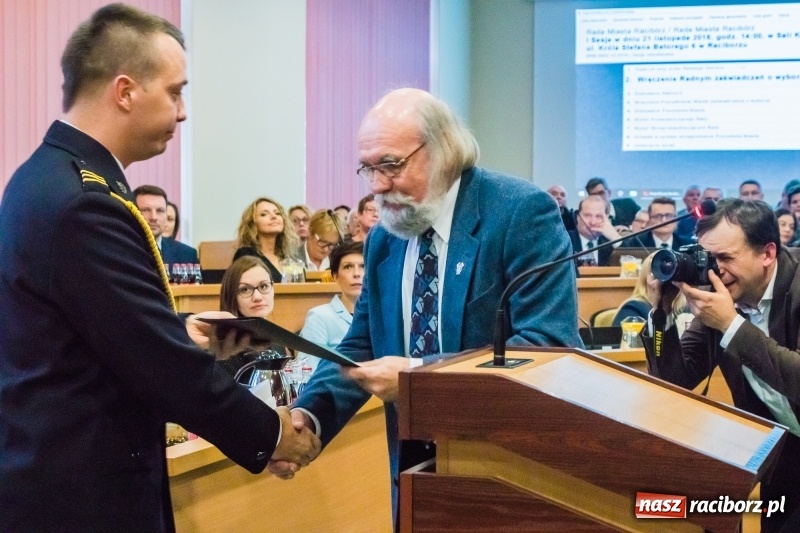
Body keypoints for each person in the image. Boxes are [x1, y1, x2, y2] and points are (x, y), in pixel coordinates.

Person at [0, 5, 319, 531]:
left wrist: (176, 329)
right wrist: (272, 433)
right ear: (125, 92)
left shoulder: (51, 176)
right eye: (175, 92)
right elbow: (160, 365)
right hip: (82, 495)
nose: (183, 112)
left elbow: (97, 329)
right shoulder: (84, 201)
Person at [271, 88, 582, 516]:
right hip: (414, 477)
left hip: (507, 473)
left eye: (391, 165)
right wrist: (309, 416)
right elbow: (362, 345)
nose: (378, 185)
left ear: (444, 150)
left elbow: (549, 347)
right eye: (368, 169)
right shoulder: (384, 239)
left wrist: (420, 378)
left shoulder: (519, 212)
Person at [642, 199, 800, 532]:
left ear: (767, 253)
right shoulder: (724, 298)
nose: (716, 270)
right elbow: (675, 382)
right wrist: (661, 315)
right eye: (708, 259)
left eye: (726, 258)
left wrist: (731, 325)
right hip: (785, 457)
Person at [216, 255, 290, 380]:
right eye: (245, 289)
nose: (257, 297)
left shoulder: (279, 342)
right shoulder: (224, 351)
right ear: (231, 296)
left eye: (264, 286)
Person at [298, 240, 365, 373]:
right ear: (335, 276)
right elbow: (308, 370)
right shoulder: (319, 317)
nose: (357, 273)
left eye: (363, 266)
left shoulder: (381, 316)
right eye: (348, 267)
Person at [233, 197, 300, 283]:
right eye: (264, 214)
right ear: (252, 223)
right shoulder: (246, 254)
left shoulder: (288, 257)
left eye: (277, 213)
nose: (274, 216)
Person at [134, 184, 198, 265]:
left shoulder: (187, 254)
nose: (154, 217)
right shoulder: (121, 250)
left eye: (160, 211)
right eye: (146, 210)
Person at [568, 195, 622, 266]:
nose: (593, 222)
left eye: (598, 216)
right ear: (577, 217)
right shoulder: (566, 241)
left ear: (607, 219)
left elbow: (630, 262)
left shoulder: (609, 243)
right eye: (587, 215)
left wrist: (615, 237)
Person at [623, 197, 692, 251]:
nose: (664, 220)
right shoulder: (635, 243)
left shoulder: (687, 245)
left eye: (668, 215)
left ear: (676, 219)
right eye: (658, 216)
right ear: (649, 220)